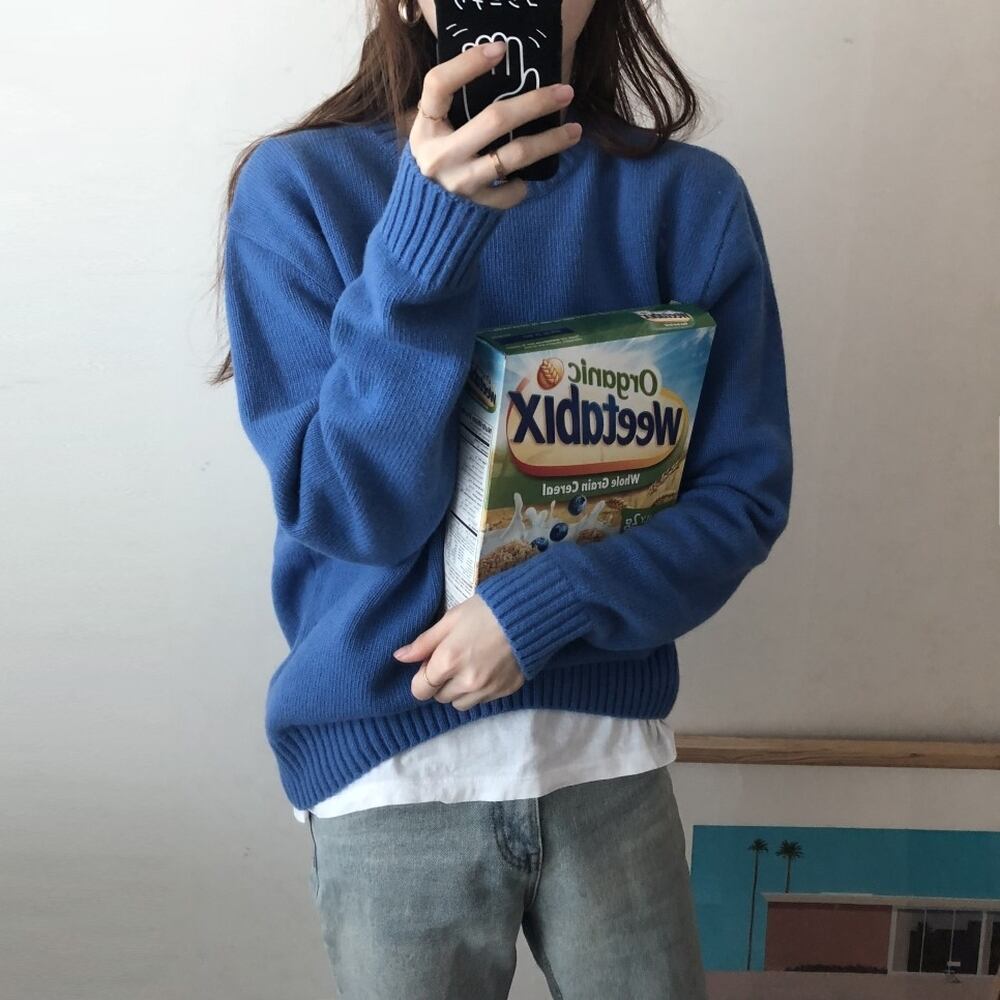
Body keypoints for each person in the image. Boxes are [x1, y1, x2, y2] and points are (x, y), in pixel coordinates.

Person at [211, 0, 793, 996]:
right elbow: (353, 513)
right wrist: (427, 238)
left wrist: (543, 609)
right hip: (387, 771)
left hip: (607, 763)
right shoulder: (298, 189)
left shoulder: (689, 200)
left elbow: (742, 497)